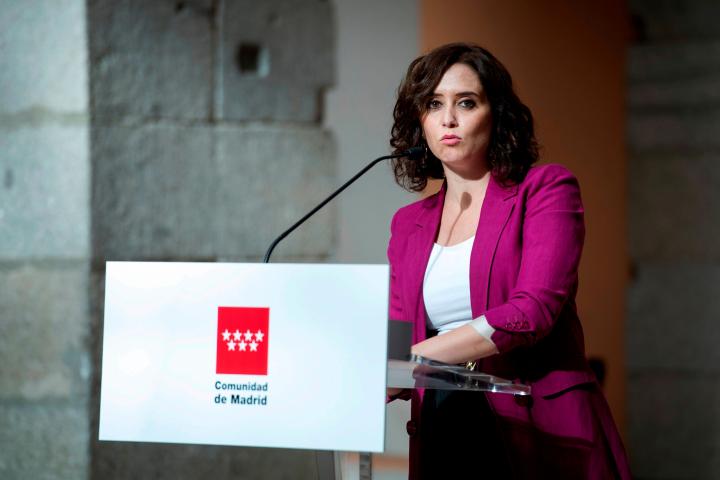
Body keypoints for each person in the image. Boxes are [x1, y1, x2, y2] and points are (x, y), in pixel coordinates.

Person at [385, 43, 631, 479]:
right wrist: (350, 378)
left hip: (539, 428)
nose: (448, 119)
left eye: (466, 102)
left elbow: (531, 311)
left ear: (496, 114)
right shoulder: (409, 223)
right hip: (444, 425)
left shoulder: (544, 190)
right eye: (434, 104)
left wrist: (408, 357)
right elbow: (399, 333)